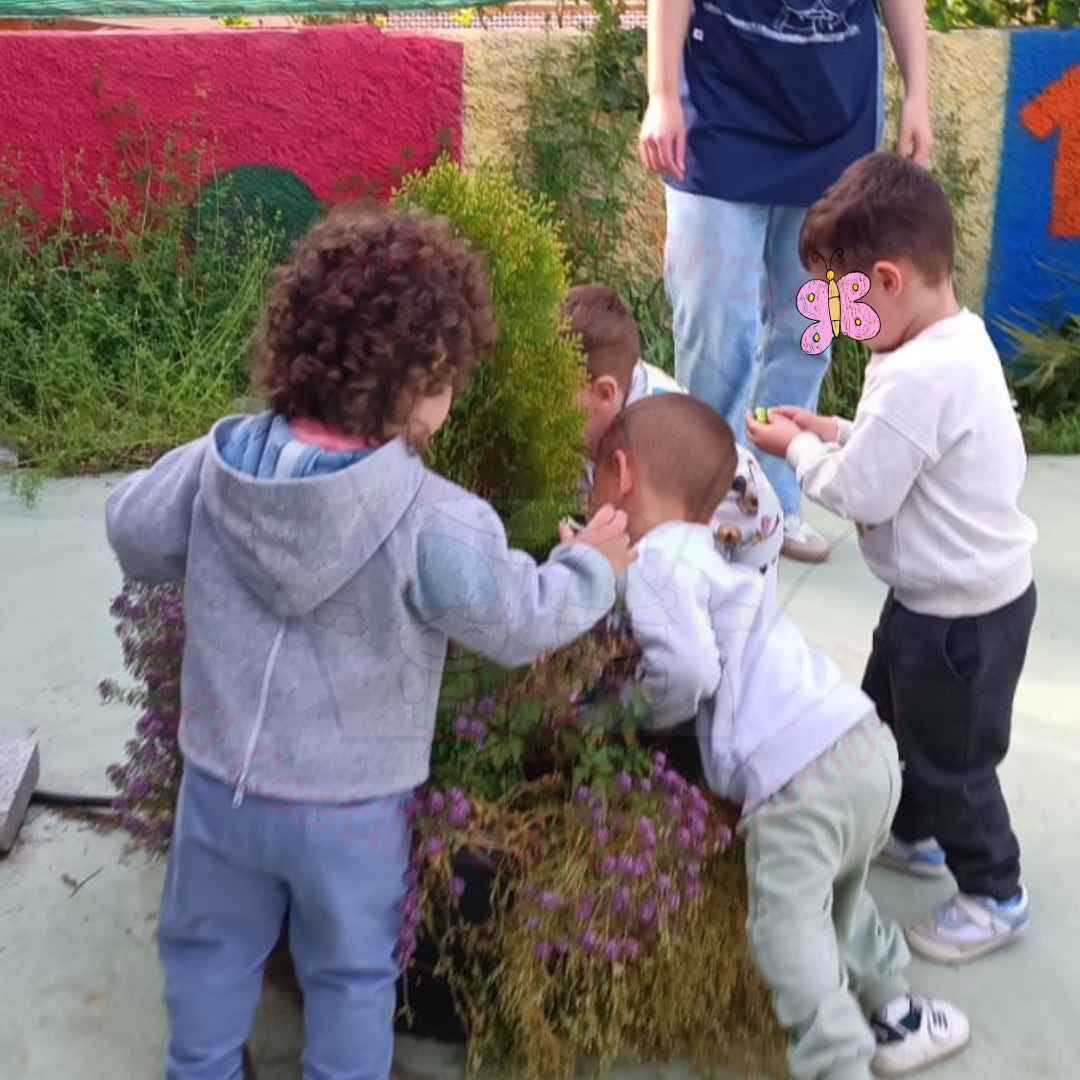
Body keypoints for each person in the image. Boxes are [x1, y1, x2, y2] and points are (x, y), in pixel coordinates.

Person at [105, 203, 635, 1080]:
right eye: (449, 376)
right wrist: (594, 570)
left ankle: (199, 1069)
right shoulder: (437, 520)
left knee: (204, 955)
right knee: (351, 977)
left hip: (220, 784)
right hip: (350, 811)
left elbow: (132, 533)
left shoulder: (215, 464)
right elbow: (514, 623)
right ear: (426, 375)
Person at [593, 392, 970, 1080]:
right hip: (863, 744)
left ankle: (836, 1063)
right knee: (838, 899)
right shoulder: (718, 558)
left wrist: (629, 712)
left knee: (784, 928)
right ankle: (896, 1011)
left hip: (798, 778)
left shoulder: (654, 562)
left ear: (619, 475)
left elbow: (686, 668)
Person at [747, 152, 1037, 964]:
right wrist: (830, 431)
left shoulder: (919, 375)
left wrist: (795, 455)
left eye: (842, 299)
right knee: (887, 718)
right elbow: (899, 450)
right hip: (939, 602)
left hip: (960, 619)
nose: (835, 317)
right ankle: (913, 834)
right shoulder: (948, 339)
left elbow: (866, 495)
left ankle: (994, 892)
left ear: (886, 279)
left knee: (953, 762)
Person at [638, 0, 933, 563]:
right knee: (717, 324)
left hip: (837, 122)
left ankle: (774, 501)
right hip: (719, 107)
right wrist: (663, 93)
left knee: (810, 328)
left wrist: (918, 93)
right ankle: (706, 504)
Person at [563, 283, 783, 608]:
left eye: (559, 400)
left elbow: (646, 549)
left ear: (605, 394)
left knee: (720, 625)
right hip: (701, 507)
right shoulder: (615, 380)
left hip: (744, 524)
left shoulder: (650, 441)